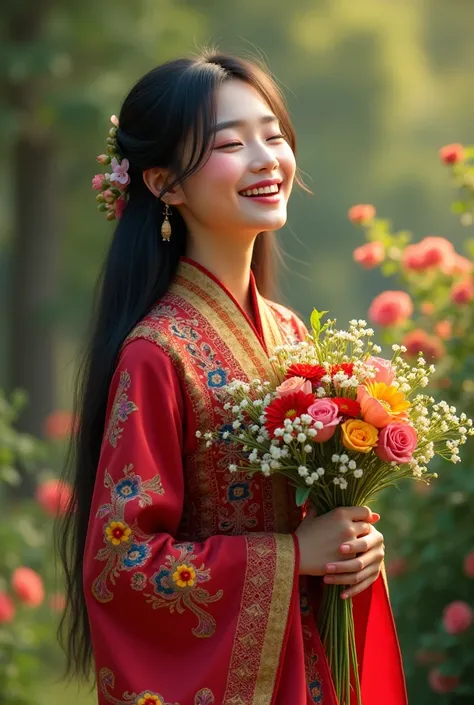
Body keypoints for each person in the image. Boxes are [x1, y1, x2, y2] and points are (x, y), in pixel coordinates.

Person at [58, 49, 407, 705]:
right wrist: (290, 557)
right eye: (231, 143)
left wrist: (350, 547)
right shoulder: (157, 353)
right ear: (165, 184)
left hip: (308, 668)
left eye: (273, 135)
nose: (265, 158)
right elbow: (122, 566)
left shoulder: (292, 334)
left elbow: (313, 521)